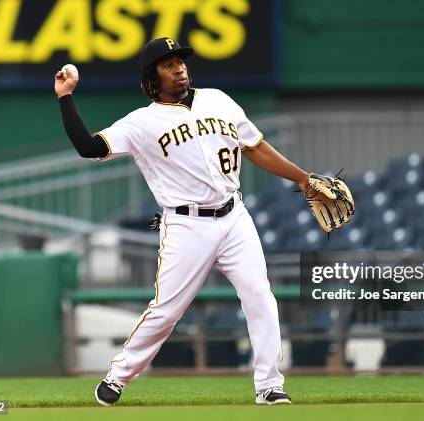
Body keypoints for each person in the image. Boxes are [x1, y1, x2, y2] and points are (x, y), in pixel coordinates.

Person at [55, 37, 312, 406]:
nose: (179, 68)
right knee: (167, 311)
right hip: (186, 225)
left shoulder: (219, 99)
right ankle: (118, 376)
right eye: (167, 64)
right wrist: (65, 97)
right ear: (151, 77)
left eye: (180, 61)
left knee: (260, 297)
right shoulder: (142, 122)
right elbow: (89, 147)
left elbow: (254, 147)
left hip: (234, 215)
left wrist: (302, 178)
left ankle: (269, 385)